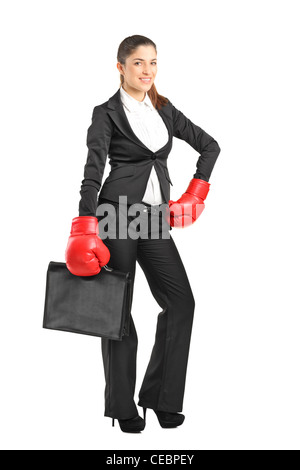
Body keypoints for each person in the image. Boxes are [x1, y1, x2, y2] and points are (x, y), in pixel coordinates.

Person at [65, 35, 221, 433]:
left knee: (181, 302)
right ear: (120, 67)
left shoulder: (164, 109)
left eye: (153, 62)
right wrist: (84, 225)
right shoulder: (107, 113)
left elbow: (210, 146)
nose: (147, 70)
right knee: (117, 313)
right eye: (138, 63)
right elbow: (93, 170)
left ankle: (161, 399)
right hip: (115, 215)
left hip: (153, 218)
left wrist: (195, 192)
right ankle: (122, 407)